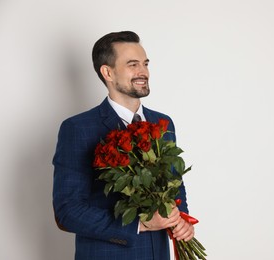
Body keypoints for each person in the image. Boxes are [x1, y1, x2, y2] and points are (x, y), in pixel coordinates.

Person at [52, 31, 194, 260]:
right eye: (132, 64)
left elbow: (175, 185)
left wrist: (182, 220)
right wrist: (139, 224)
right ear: (107, 72)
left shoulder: (163, 123)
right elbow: (68, 211)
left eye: (145, 64)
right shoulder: (78, 128)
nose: (143, 72)